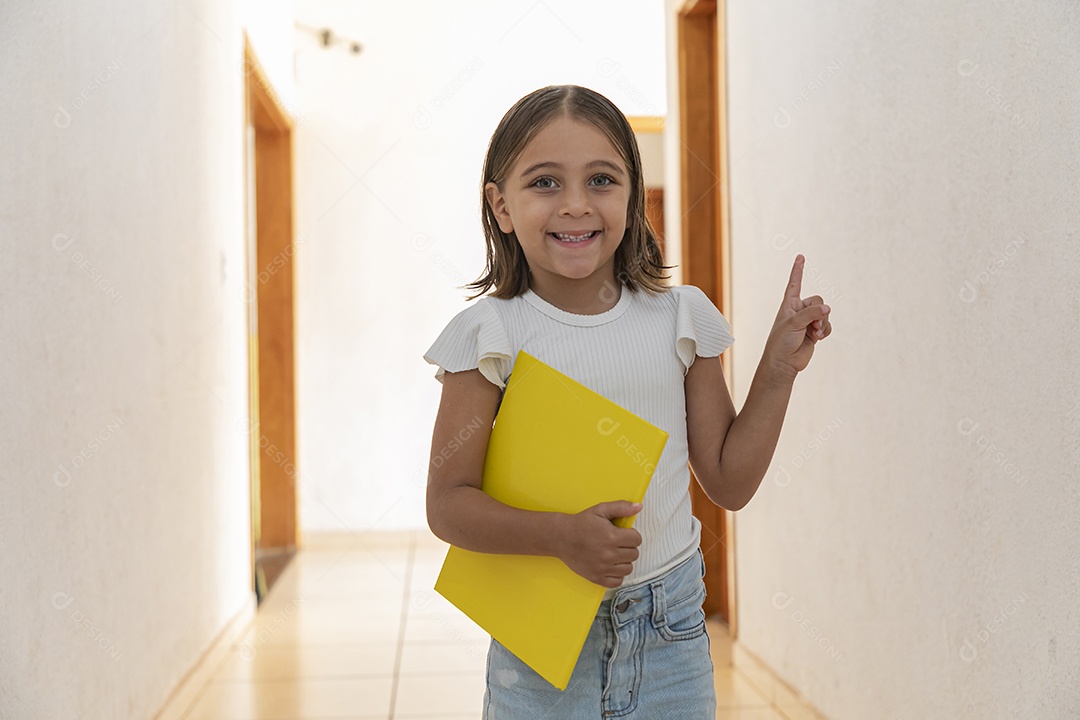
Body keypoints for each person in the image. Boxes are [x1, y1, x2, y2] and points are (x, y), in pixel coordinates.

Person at [422, 84, 832, 718]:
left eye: (602, 180)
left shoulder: (681, 318)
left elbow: (728, 481)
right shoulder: (490, 335)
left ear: (633, 197)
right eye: (545, 184)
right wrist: (559, 537)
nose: (576, 206)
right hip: (543, 644)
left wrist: (777, 370)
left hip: (669, 635)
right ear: (500, 207)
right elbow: (447, 506)